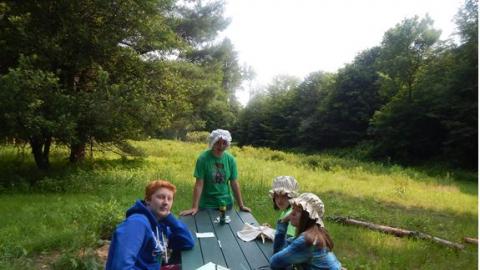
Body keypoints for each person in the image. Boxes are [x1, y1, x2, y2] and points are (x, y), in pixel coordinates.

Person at [106, 180, 194, 270]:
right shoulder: (136, 224)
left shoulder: (160, 224)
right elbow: (121, 267)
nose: (166, 202)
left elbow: (187, 242)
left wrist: (170, 218)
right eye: (161, 197)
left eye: (169, 199)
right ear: (148, 200)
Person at [180, 129, 251, 216]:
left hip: (226, 203)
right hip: (207, 204)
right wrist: (195, 207)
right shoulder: (203, 159)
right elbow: (199, 184)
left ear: (228, 144)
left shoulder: (230, 160)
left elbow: (234, 183)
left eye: (224, 143)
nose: (221, 146)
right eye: (218, 142)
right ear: (212, 142)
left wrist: (241, 205)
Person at [270, 193, 342, 270]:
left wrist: (283, 223)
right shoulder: (314, 234)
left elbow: (275, 262)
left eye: (299, 211)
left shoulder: (305, 241)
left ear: (309, 217)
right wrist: (283, 221)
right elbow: (280, 254)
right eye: (293, 208)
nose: (292, 213)